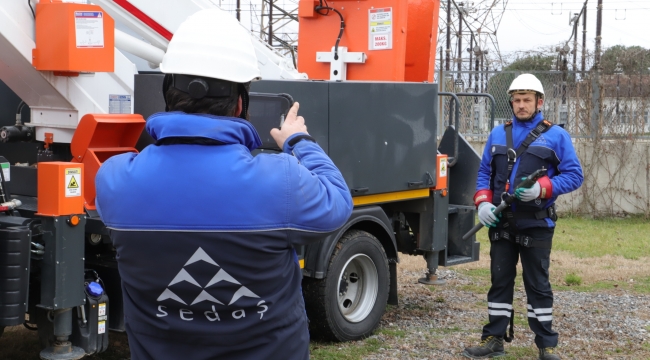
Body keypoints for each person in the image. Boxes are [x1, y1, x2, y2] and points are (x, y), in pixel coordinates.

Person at [95, 9, 353, 360]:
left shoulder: (114, 181)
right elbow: (339, 201)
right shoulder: (281, 182)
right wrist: (298, 141)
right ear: (240, 105)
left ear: (167, 91)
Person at [462, 73, 583, 360]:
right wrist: (482, 203)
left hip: (537, 223)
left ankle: (546, 345)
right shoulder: (496, 134)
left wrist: (544, 188)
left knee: (538, 286)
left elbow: (574, 175)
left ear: (539, 102)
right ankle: (494, 340)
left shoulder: (556, 136)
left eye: (527, 100)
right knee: (499, 281)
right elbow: (484, 174)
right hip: (502, 223)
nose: (521, 105)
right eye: (516, 100)